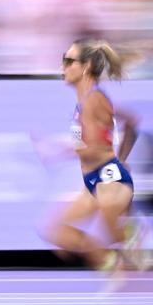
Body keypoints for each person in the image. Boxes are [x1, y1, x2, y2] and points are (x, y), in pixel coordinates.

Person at [43, 39, 145, 273]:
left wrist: (59, 151)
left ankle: (129, 241)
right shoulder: (85, 102)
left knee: (120, 243)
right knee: (58, 232)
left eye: (69, 62)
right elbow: (131, 122)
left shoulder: (94, 100)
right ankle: (114, 260)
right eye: (62, 61)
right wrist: (122, 156)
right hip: (94, 180)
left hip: (109, 180)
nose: (63, 68)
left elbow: (94, 149)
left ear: (86, 66)